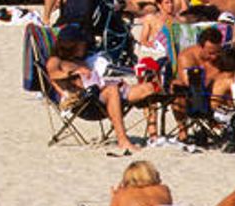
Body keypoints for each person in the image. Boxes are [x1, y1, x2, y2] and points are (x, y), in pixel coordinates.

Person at [45, 26, 159, 154]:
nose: (85, 45)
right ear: (72, 45)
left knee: (150, 87)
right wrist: (75, 72)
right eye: (83, 43)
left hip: (105, 93)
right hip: (87, 103)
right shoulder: (56, 61)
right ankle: (123, 141)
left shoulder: (81, 60)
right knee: (112, 90)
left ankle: (154, 137)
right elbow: (53, 74)